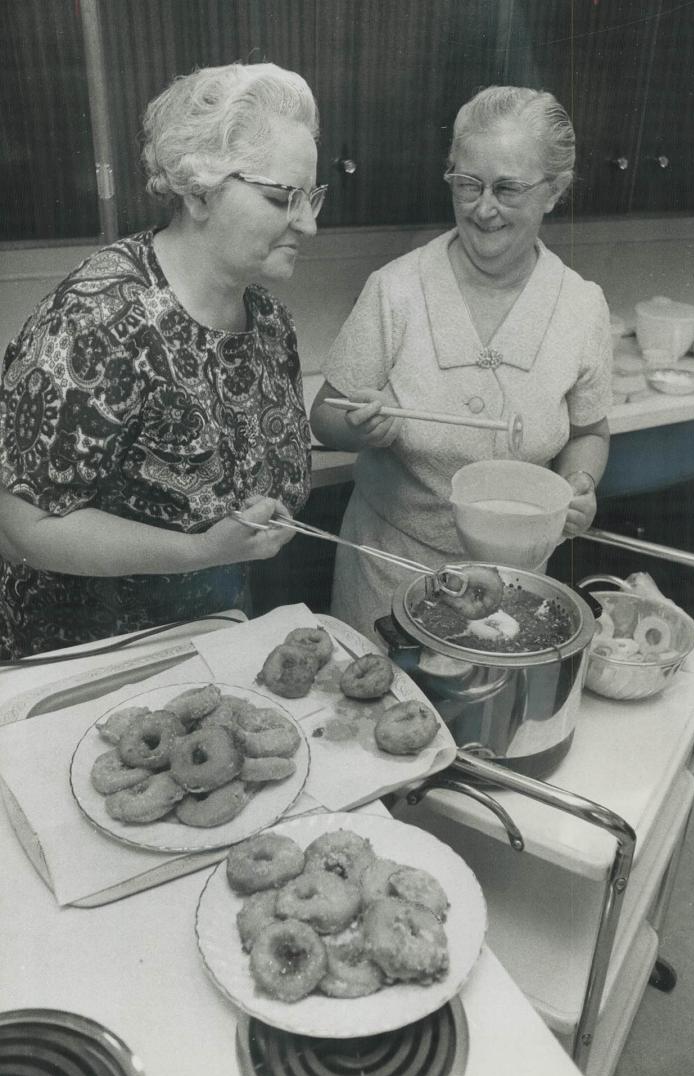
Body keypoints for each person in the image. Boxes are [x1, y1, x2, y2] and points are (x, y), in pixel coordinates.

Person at [0, 61, 327, 659]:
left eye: (312, 197)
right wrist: (203, 551)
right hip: (89, 659)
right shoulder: (97, 320)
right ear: (199, 192)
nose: (308, 223)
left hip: (212, 633)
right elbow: (21, 527)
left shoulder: (271, 323)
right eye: (283, 198)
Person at [310, 85, 612, 640]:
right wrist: (358, 426)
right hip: (390, 570)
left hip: (512, 582)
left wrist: (579, 483)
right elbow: (323, 415)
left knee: (486, 717)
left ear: (554, 191)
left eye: (508, 188)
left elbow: (591, 429)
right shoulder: (396, 290)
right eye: (468, 184)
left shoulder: (581, 305)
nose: (484, 207)